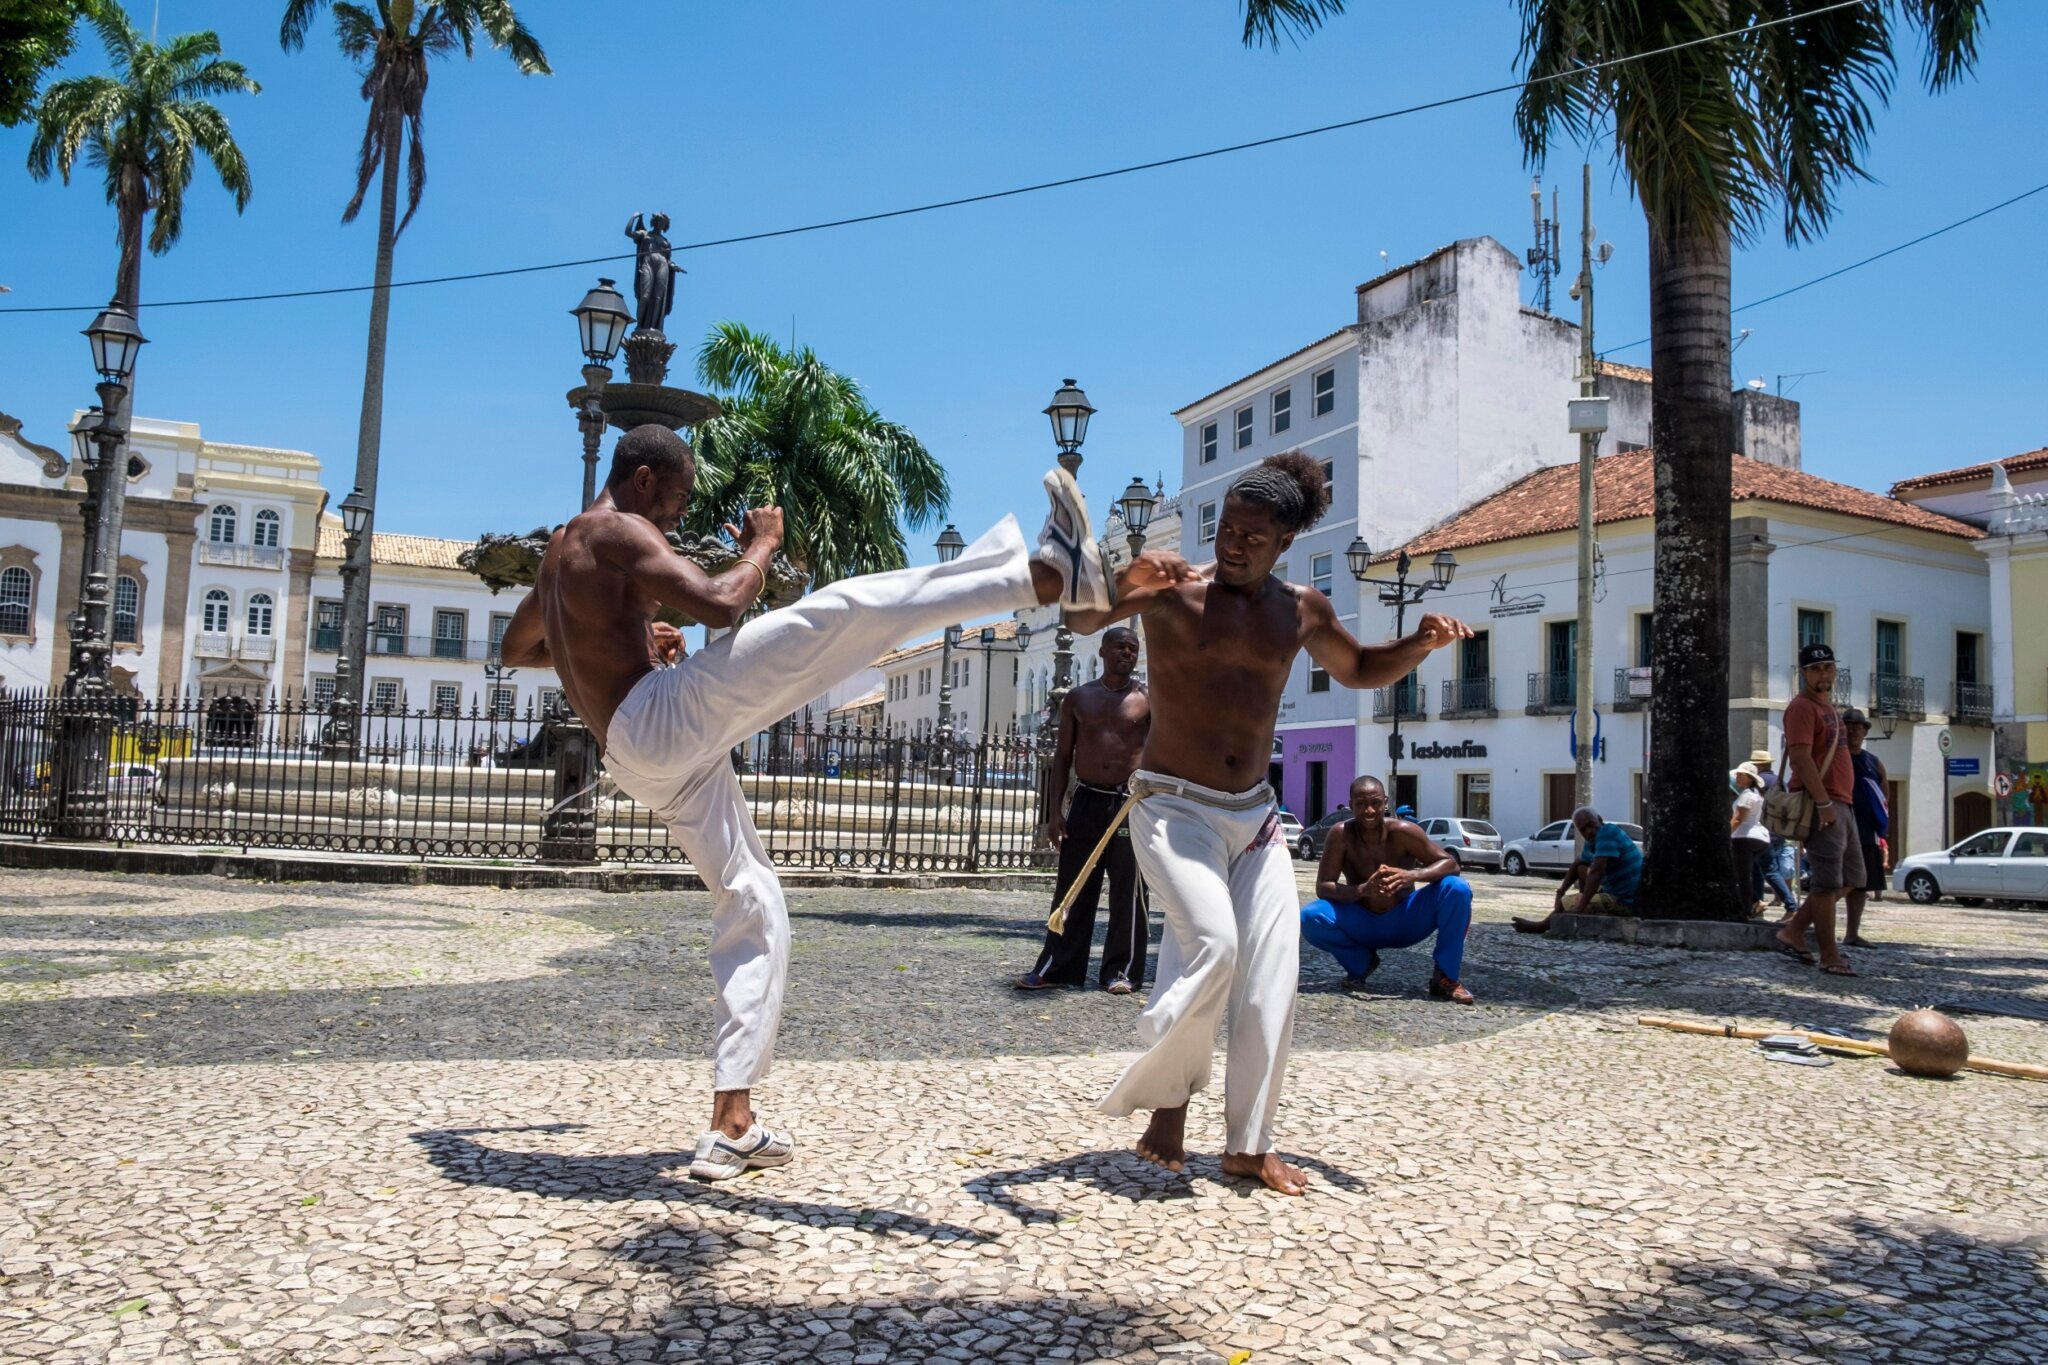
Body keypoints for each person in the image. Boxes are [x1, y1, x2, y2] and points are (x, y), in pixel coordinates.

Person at [498, 425, 1152, 1180]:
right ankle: (1043, 574)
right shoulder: (618, 526)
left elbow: (522, 649)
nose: (674, 521)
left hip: (636, 751)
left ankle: (731, 1121)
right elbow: (719, 601)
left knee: (756, 902)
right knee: (836, 615)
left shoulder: (559, 552)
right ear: (643, 480)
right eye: (676, 503)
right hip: (659, 721)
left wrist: (628, 641)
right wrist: (764, 544)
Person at [1061, 451, 1471, 1194]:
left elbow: (1356, 668)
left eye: (1254, 533)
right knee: (1212, 944)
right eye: (1227, 526)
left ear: (1284, 543)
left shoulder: (1301, 608)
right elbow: (1083, 618)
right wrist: (1108, 573)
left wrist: (1418, 643)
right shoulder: (1171, 588)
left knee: (1272, 976)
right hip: (1170, 805)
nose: (1234, 541)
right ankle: (1168, 1105)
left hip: (1254, 818)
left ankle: (1248, 1144)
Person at [1018, 627, 1152, 993]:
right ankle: (1057, 967)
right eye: (1120, 647)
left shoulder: (1147, 699)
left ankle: (1120, 971)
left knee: (1129, 890)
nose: (1127, 653)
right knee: (1073, 888)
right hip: (1086, 801)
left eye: (1133, 648)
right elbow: (1062, 757)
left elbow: (1161, 756)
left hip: (1129, 805)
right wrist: (1055, 812)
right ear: (1104, 652)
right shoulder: (1079, 698)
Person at [1298, 775, 1475, 1004]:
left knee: (1457, 889)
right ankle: (1361, 962)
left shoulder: (1404, 831)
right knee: (1310, 917)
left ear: (1386, 802)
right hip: (1362, 921)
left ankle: (1445, 976)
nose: (1369, 811)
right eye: (1361, 804)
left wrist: (1411, 875)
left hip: (1405, 919)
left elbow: (1451, 864)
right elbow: (1323, 887)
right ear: (1350, 804)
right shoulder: (1340, 834)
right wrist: (1362, 890)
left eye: (1375, 803)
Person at [1772, 643, 1858, 976]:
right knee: (1825, 885)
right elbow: (1800, 757)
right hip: (1822, 803)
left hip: (1842, 802)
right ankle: (1830, 956)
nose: (1824, 674)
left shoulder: (1829, 708)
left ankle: (1793, 931)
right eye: (1816, 669)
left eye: (1828, 668)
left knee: (1852, 878)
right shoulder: (1802, 708)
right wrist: (1823, 803)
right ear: (1804, 673)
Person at [1511, 807, 1642, 933]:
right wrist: (1561, 891)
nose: (1589, 832)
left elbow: (1597, 872)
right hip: (1615, 890)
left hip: (1624, 900)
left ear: (1600, 820)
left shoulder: (1607, 833)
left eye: (1591, 825)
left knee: (1566, 903)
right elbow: (1578, 863)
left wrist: (1580, 907)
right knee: (1581, 868)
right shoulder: (1592, 841)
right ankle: (1583, 901)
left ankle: (1541, 926)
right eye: (1583, 830)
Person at [1843, 708, 1889, 948]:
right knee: (1836, 883)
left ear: (1865, 731)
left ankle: (1852, 933)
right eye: (1848, 724)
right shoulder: (1835, 757)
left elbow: (1884, 794)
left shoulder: (1873, 762)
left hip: (1865, 830)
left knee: (1861, 885)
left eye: (1857, 725)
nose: (1852, 729)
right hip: (1839, 828)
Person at [1729, 763, 1771, 918]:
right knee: (1745, 873)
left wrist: (1726, 834)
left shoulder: (1747, 795)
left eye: (1742, 775)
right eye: (1738, 774)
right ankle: (1754, 901)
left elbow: (1738, 818)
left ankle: (1747, 909)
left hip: (1744, 837)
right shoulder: (1758, 794)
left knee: (1742, 875)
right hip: (1761, 837)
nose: (1738, 777)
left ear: (1750, 778)